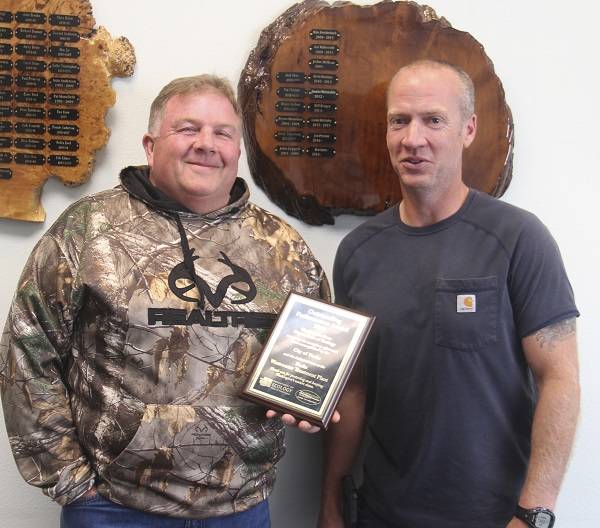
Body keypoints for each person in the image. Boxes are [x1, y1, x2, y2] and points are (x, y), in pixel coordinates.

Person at [0, 74, 330, 527]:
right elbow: (26, 351)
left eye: (222, 133)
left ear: (238, 150)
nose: (206, 144)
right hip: (113, 507)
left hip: (241, 509)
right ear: (151, 145)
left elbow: (314, 355)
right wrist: (69, 479)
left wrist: (311, 401)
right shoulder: (88, 230)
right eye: (188, 129)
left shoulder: (282, 248)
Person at [317, 60, 580, 528]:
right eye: (399, 120)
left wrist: (535, 511)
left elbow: (560, 378)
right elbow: (353, 390)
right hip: (381, 512)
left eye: (433, 120)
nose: (412, 138)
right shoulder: (358, 252)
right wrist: (331, 498)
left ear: (468, 129)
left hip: (495, 515)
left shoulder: (518, 237)